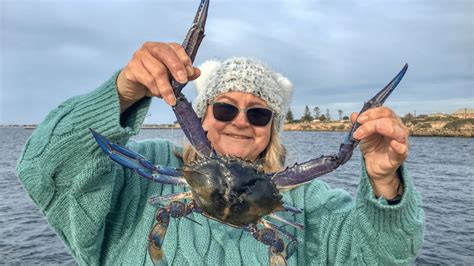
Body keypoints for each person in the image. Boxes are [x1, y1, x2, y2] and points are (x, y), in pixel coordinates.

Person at [16, 42, 424, 265]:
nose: (241, 121)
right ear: (200, 116)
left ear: (272, 127)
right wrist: (123, 92)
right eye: (225, 108)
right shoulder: (142, 175)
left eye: (260, 113)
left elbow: (382, 257)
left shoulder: (309, 203)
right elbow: (47, 168)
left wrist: (386, 183)